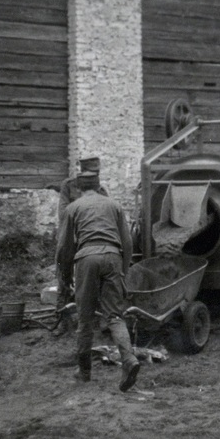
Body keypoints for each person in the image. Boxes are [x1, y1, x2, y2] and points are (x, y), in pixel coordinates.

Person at [56, 171, 139, 391]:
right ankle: (129, 359)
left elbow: (64, 249)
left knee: (85, 319)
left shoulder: (72, 208)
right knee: (114, 316)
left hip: (87, 259)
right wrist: (123, 271)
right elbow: (127, 243)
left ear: (78, 188)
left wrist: (65, 278)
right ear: (99, 185)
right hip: (113, 257)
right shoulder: (115, 205)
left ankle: (84, 372)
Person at [54, 157, 109, 334]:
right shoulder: (68, 185)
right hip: (70, 236)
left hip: (90, 238)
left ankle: (98, 317)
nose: (95, 175)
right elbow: (63, 213)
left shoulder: (101, 190)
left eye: (97, 173)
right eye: (91, 172)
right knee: (64, 274)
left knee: (98, 276)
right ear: (82, 171)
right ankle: (62, 319)